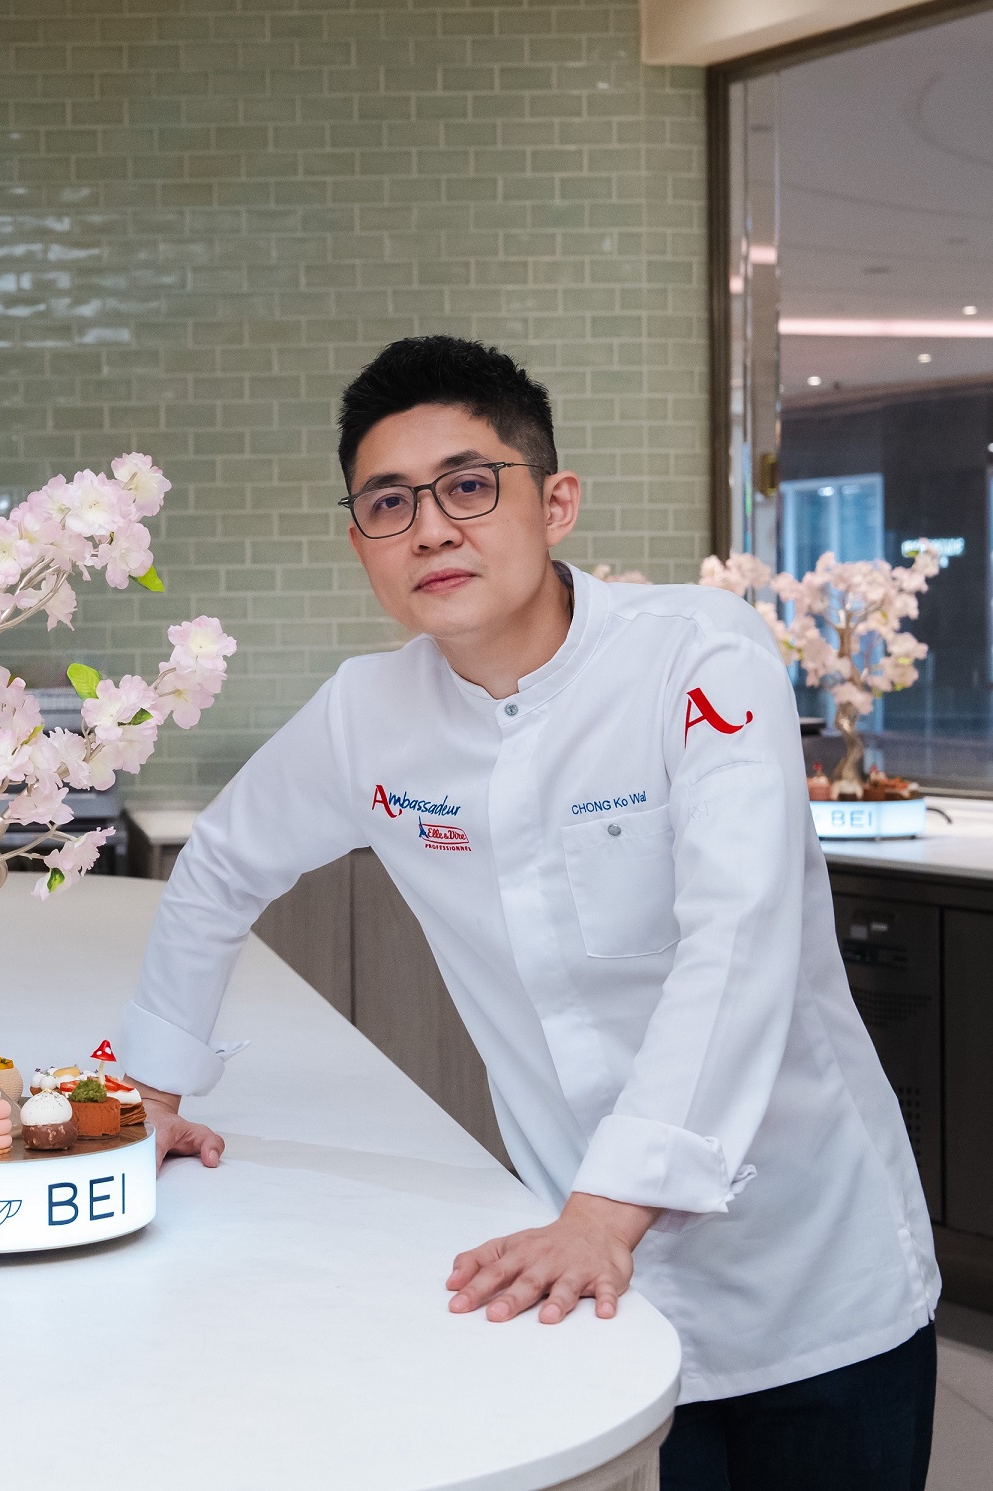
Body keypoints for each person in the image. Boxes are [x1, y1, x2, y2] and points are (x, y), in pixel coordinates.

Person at [120, 337, 940, 1489]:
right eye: (388, 504)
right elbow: (217, 871)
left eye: (467, 485)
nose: (431, 529)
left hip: (809, 1266)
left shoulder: (697, 655)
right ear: (360, 545)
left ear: (553, 502)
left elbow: (741, 935)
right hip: (586, 1280)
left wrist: (610, 1208)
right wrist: (151, 1091)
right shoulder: (369, 715)